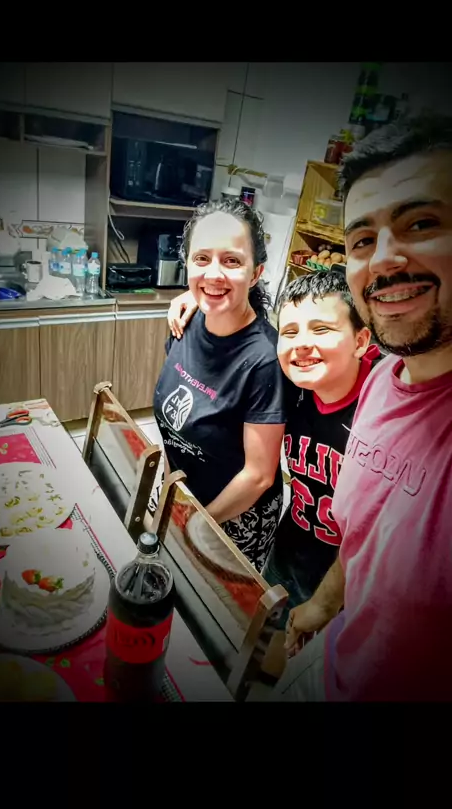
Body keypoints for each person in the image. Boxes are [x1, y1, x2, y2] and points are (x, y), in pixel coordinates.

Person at [272, 111, 452, 701]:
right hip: (335, 663)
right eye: (363, 240)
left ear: (357, 341)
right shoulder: (383, 381)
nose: (383, 260)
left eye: (421, 222)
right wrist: (322, 605)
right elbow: (362, 542)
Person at [167, 269, 382, 641]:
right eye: (290, 331)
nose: (301, 344)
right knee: (264, 640)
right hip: (291, 545)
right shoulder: (291, 384)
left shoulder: (385, 406)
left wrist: (327, 602)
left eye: (321, 329)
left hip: (354, 579)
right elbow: (249, 336)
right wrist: (200, 301)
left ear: (361, 341)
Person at [153, 199, 287, 572]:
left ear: (256, 273)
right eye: (202, 258)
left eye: (231, 261)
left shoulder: (265, 360)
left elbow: (259, 476)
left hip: (232, 519)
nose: (214, 274)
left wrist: (197, 524)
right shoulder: (186, 322)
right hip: (185, 498)